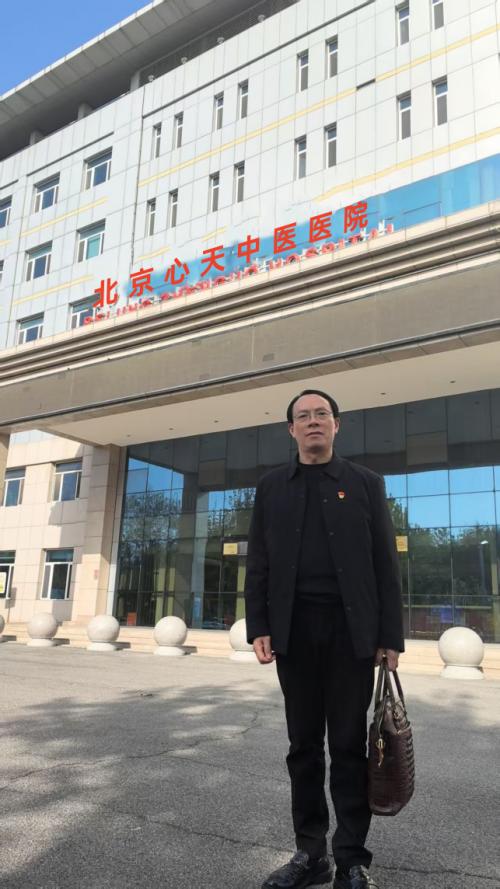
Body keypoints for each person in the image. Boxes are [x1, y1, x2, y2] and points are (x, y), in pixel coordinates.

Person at [244, 389, 404, 889]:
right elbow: (259, 562)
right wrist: (258, 625)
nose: (313, 421)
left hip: (351, 635)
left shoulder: (365, 484)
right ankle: (310, 854)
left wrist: (390, 636)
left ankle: (352, 860)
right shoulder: (271, 487)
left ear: (337, 425)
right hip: (293, 633)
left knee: (350, 747)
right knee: (303, 747)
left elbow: (385, 564)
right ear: (291, 429)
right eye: (303, 416)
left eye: (321, 414)